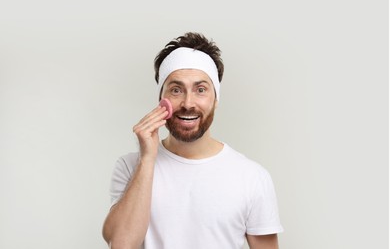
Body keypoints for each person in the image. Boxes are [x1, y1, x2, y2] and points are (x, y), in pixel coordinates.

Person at [102, 32, 283, 249]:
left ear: (215, 100)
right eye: (176, 90)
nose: (188, 103)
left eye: (201, 90)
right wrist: (147, 159)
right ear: (161, 99)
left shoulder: (252, 177)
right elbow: (121, 245)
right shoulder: (130, 166)